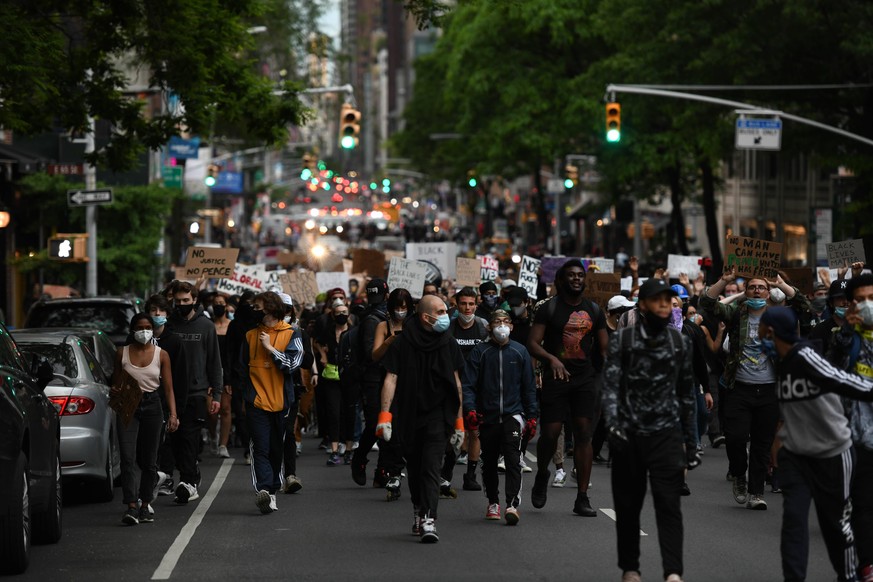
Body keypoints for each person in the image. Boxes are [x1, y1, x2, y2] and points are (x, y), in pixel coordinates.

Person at [759, 306, 873, 582]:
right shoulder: (782, 363)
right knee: (793, 522)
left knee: (835, 525)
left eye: (760, 330)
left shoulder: (805, 356)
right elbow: (790, 409)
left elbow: (842, 379)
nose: (757, 336)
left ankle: (848, 577)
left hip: (833, 453)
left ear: (771, 331)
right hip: (797, 457)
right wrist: (779, 441)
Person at [602, 278, 699, 582]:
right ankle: (630, 569)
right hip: (629, 435)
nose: (664, 305)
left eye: (668, 300)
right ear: (642, 305)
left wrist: (691, 441)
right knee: (628, 508)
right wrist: (614, 425)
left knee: (669, 506)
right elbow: (611, 387)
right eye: (657, 300)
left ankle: (673, 572)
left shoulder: (680, 342)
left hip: (666, 436)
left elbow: (686, 394)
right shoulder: (623, 339)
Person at [700, 266, 808, 510]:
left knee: (762, 443)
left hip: (769, 390)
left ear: (768, 293)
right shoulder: (737, 313)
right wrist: (724, 280)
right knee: (736, 438)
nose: (757, 290)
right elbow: (707, 304)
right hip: (739, 388)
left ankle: (756, 492)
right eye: (752, 287)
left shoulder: (779, 316)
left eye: (762, 287)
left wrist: (782, 285)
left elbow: (804, 307)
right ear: (746, 292)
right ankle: (739, 473)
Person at [376, 295, 466, 543]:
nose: (446, 315)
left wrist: (459, 422)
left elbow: (457, 383)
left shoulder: (449, 343)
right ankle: (418, 508)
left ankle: (429, 518)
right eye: (441, 311)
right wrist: (384, 416)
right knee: (414, 468)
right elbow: (390, 379)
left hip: (439, 414)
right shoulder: (401, 343)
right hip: (408, 414)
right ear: (426, 317)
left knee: (431, 466)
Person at [526, 259, 608, 516]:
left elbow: (605, 349)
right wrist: (551, 359)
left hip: (585, 380)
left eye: (580, 275)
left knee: (584, 434)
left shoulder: (594, 310)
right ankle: (542, 473)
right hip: (556, 379)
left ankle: (582, 497)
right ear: (561, 280)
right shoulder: (549, 309)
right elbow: (532, 343)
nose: (576, 279)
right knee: (550, 433)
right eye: (571, 275)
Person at [462, 309, 537, 525]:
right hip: (488, 415)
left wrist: (532, 417)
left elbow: (529, 387)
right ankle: (493, 502)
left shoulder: (520, 351)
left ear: (512, 326)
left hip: (514, 415)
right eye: (497, 321)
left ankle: (512, 504)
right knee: (490, 461)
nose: (502, 325)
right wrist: (471, 410)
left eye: (506, 321)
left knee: (513, 460)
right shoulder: (481, 352)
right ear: (489, 327)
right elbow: (468, 385)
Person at [240, 291, 303, 514]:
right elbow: (242, 369)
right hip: (256, 402)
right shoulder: (249, 336)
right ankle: (264, 490)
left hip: (282, 403)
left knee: (276, 449)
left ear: (271, 308)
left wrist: (271, 349)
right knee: (260, 448)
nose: (255, 310)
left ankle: (273, 491)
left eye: (258, 306)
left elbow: (294, 364)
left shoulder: (292, 333)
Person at [828, 273, 873, 582]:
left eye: (872, 298)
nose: (866, 305)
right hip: (856, 436)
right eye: (859, 300)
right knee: (862, 505)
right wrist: (848, 328)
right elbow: (832, 372)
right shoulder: (846, 336)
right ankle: (865, 566)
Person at [114, 313, 179, 525]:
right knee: (127, 457)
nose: (144, 331)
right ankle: (131, 506)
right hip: (127, 406)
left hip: (152, 405)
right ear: (133, 330)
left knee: (149, 460)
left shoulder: (162, 355)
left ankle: (145, 505)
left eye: (148, 327)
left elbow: (168, 388)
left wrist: (173, 414)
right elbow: (115, 383)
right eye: (140, 327)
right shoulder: (121, 353)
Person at [168, 281, 224, 504]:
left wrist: (217, 395)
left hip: (197, 392)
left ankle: (188, 482)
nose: (181, 304)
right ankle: (191, 473)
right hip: (171, 393)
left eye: (185, 301)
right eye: (177, 301)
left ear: (194, 301)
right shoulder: (169, 324)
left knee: (190, 437)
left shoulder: (206, 326)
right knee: (175, 441)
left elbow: (214, 362)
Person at [349, 278, 394, 487]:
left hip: (391, 376)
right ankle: (360, 458)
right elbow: (370, 354)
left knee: (389, 423)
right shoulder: (371, 320)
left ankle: (382, 470)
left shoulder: (389, 316)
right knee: (377, 424)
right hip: (373, 378)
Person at [144, 294, 189, 498]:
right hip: (143, 399)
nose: (157, 314)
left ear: (167, 314)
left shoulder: (174, 341)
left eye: (161, 311)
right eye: (153, 311)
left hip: (165, 399)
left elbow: (179, 377)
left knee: (166, 441)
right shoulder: (136, 339)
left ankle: (165, 475)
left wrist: (176, 409)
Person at [446, 286, 490, 493]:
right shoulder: (448, 327)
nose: (467, 308)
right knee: (450, 432)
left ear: (476, 304)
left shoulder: (483, 328)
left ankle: (470, 476)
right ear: (456, 304)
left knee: (474, 431)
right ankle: (445, 474)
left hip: (475, 388)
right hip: (449, 387)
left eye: (471, 304)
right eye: (463, 303)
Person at [314, 301, 352, 466]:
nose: (342, 315)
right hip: (331, 377)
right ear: (333, 315)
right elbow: (315, 341)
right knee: (333, 412)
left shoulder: (354, 332)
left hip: (350, 377)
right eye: (338, 312)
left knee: (348, 412)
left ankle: (349, 449)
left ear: (349, 314)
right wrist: (322, 354)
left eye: (344, 312)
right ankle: (335, 450)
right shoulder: (327, 332)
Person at [211, 294, 233, 459]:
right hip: (210, 373)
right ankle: (213, 436)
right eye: (215, 303)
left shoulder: (231, 327)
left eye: (221, 303)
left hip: (226, 373)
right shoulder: (208, 326)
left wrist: (230, 377)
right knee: (211, 410)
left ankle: (223, 444)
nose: (218, 305)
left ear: (226, 306)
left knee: (225, 409)